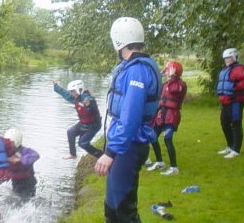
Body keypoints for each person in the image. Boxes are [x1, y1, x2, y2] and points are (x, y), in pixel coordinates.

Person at [94, 17, 161, 222]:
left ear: (118, 41)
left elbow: (130, 118)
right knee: (112, 207)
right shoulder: (132, 67)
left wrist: (111, 152)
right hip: (123, 145)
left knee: (124, 210)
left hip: (128, 147)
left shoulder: (137, 71)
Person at [146, 61, 187, 175]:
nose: (166, 71)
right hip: (162, 114)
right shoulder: (166, 84)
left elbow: (174, 90)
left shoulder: (180, 84)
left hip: (172, 116)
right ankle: (160, 161)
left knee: (167, 138)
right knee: (152, 136)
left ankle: (174, 168)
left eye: (168, 69)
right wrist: (160, 74)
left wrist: (173, 76)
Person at [215, 47, 244, 159]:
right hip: (225, 101)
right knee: (224, 123)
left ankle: (236, 150)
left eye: (229, 58)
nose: (227, 60)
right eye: (225, 58)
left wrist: (236, 87)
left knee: (236, 124)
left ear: (234, 58)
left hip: (235, 101)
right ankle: (230, 146)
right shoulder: (225, 70)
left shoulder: (238, 69)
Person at [52, 79, 104, 159]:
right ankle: (73, 154)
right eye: (71, 91)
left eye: (73, 91)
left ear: (79, 90)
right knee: (70, 132)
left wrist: (88, 104)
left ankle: (101, 156)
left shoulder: (86, 98)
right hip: (83, 124)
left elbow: (90, 102)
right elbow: (65, 94)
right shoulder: (75, 98)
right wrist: (56, 86)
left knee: (82, 143)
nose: (72, 93)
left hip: (93, 126)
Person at [4, 128, 40, 199]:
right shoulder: (7, 153)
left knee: (25, 200)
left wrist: (20, 160)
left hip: (28, 182)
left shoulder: (25, 151)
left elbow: (36, 155)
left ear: (17, 142)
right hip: (16, 182)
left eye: (10, 143)